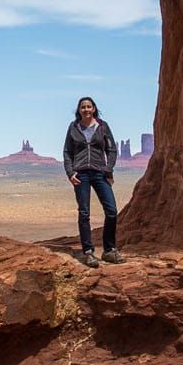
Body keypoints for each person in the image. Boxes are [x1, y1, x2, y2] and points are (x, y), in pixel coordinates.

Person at [62, 96, 122, 267]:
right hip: (81, 174)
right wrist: (70, 172)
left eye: (89, 106)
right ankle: (88, 252)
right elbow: (67, 151)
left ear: (94, 108)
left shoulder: (102, 126)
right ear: (79, 110)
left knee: (112, 211)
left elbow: (111, 149)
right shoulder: (74, 127)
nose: (86, 110)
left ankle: (109, 250)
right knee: (84, 213)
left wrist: (108, 169)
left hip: (100, 173)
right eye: (83, 107)